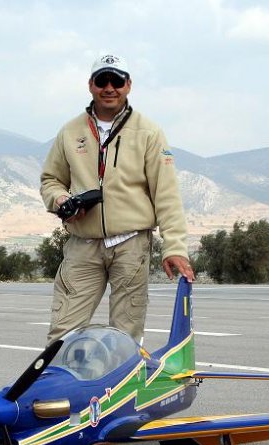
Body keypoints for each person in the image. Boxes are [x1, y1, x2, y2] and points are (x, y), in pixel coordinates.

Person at [40, 53, 195, 344]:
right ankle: (56, 390)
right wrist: (61, 200)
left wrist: (175, 247)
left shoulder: (149, 132)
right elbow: (51, 180)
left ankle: (124, 389)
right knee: (63, 333)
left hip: (131, 244)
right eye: (102, 80)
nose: (109, 87)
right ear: (90, 85)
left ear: (128, 85)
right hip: (83, 245)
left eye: (117, 80)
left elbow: (167, 194)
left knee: (125, 335)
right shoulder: (70, 131)